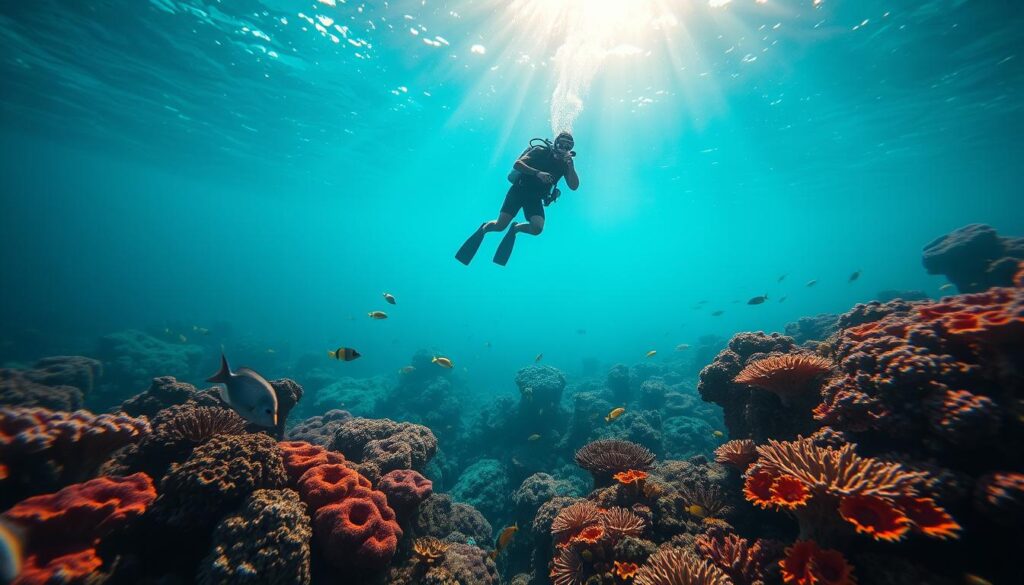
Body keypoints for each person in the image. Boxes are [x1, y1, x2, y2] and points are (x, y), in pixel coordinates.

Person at [455, 131, 580, 266]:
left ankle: (516, 229)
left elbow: (574, 186)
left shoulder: (565, 165)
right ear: (556, 142)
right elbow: (517, 164)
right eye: (562, 144)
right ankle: (484, 228)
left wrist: (571, 167)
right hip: (519, 191)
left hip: (535, 198)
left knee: (537, 228)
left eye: (568, 146)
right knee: (500, 226)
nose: (565, 148)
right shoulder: (540, 151)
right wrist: (537, 173)